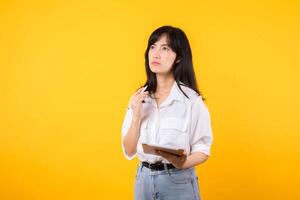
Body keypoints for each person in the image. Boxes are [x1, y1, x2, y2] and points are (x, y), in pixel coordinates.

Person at [121, 25, 213, 200]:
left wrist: (183, 162)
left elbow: (203, 149)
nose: (156, 54)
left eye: (165, 48)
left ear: (178, 57)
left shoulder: (191, 102)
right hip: (143, 180)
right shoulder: (139, 98)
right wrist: (137, 117)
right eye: (153, 47)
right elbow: (129, 150)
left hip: (178, 182)